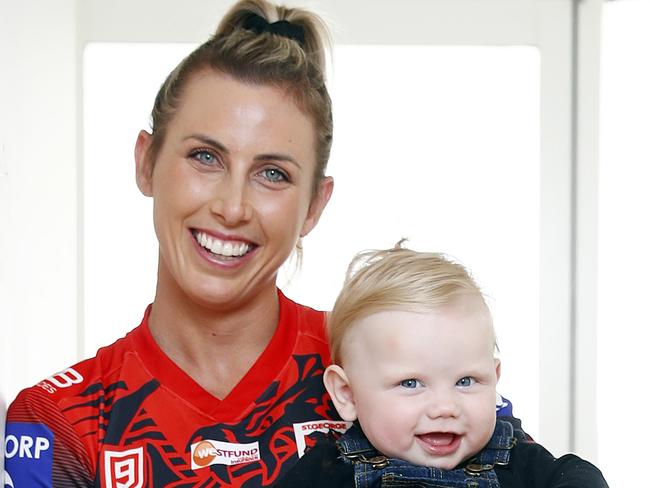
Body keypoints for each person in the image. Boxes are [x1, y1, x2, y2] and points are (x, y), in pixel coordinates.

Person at [4, 1, 339, 486]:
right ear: (147, 162)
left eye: (272, 173)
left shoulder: (383, 370)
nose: (232, 206)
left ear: (314, 206)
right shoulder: (59, 420)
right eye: (206, 157)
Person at [275, 244, 608, 487]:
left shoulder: (513, 456)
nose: (445, 407)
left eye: (465, 381)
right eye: (410, 383)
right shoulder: (331, 468)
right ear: (347, 395)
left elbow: (578, 474)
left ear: (494, 380)